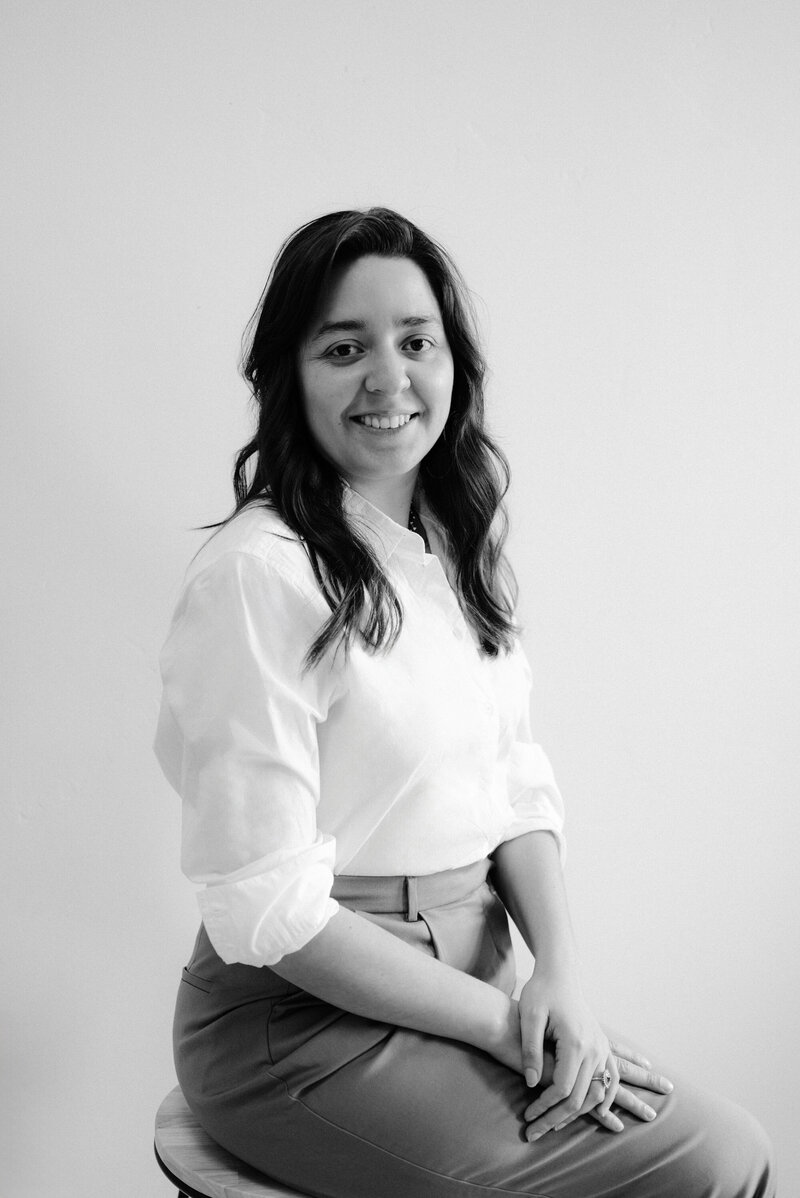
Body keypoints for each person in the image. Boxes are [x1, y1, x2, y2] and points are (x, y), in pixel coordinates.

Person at [154, 207, 775, 1197]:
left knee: (723, 1141)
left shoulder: (448, 547)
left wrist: (559, 981)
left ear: (455, 361)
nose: (387, 379)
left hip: (471, 979)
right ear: (286, 373)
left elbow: (513, 785)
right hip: (303, 1027)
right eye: (343, 347)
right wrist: (501, 1024)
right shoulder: (255, 579)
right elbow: (263, 906)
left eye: (415, 341)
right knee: (708, 1164)